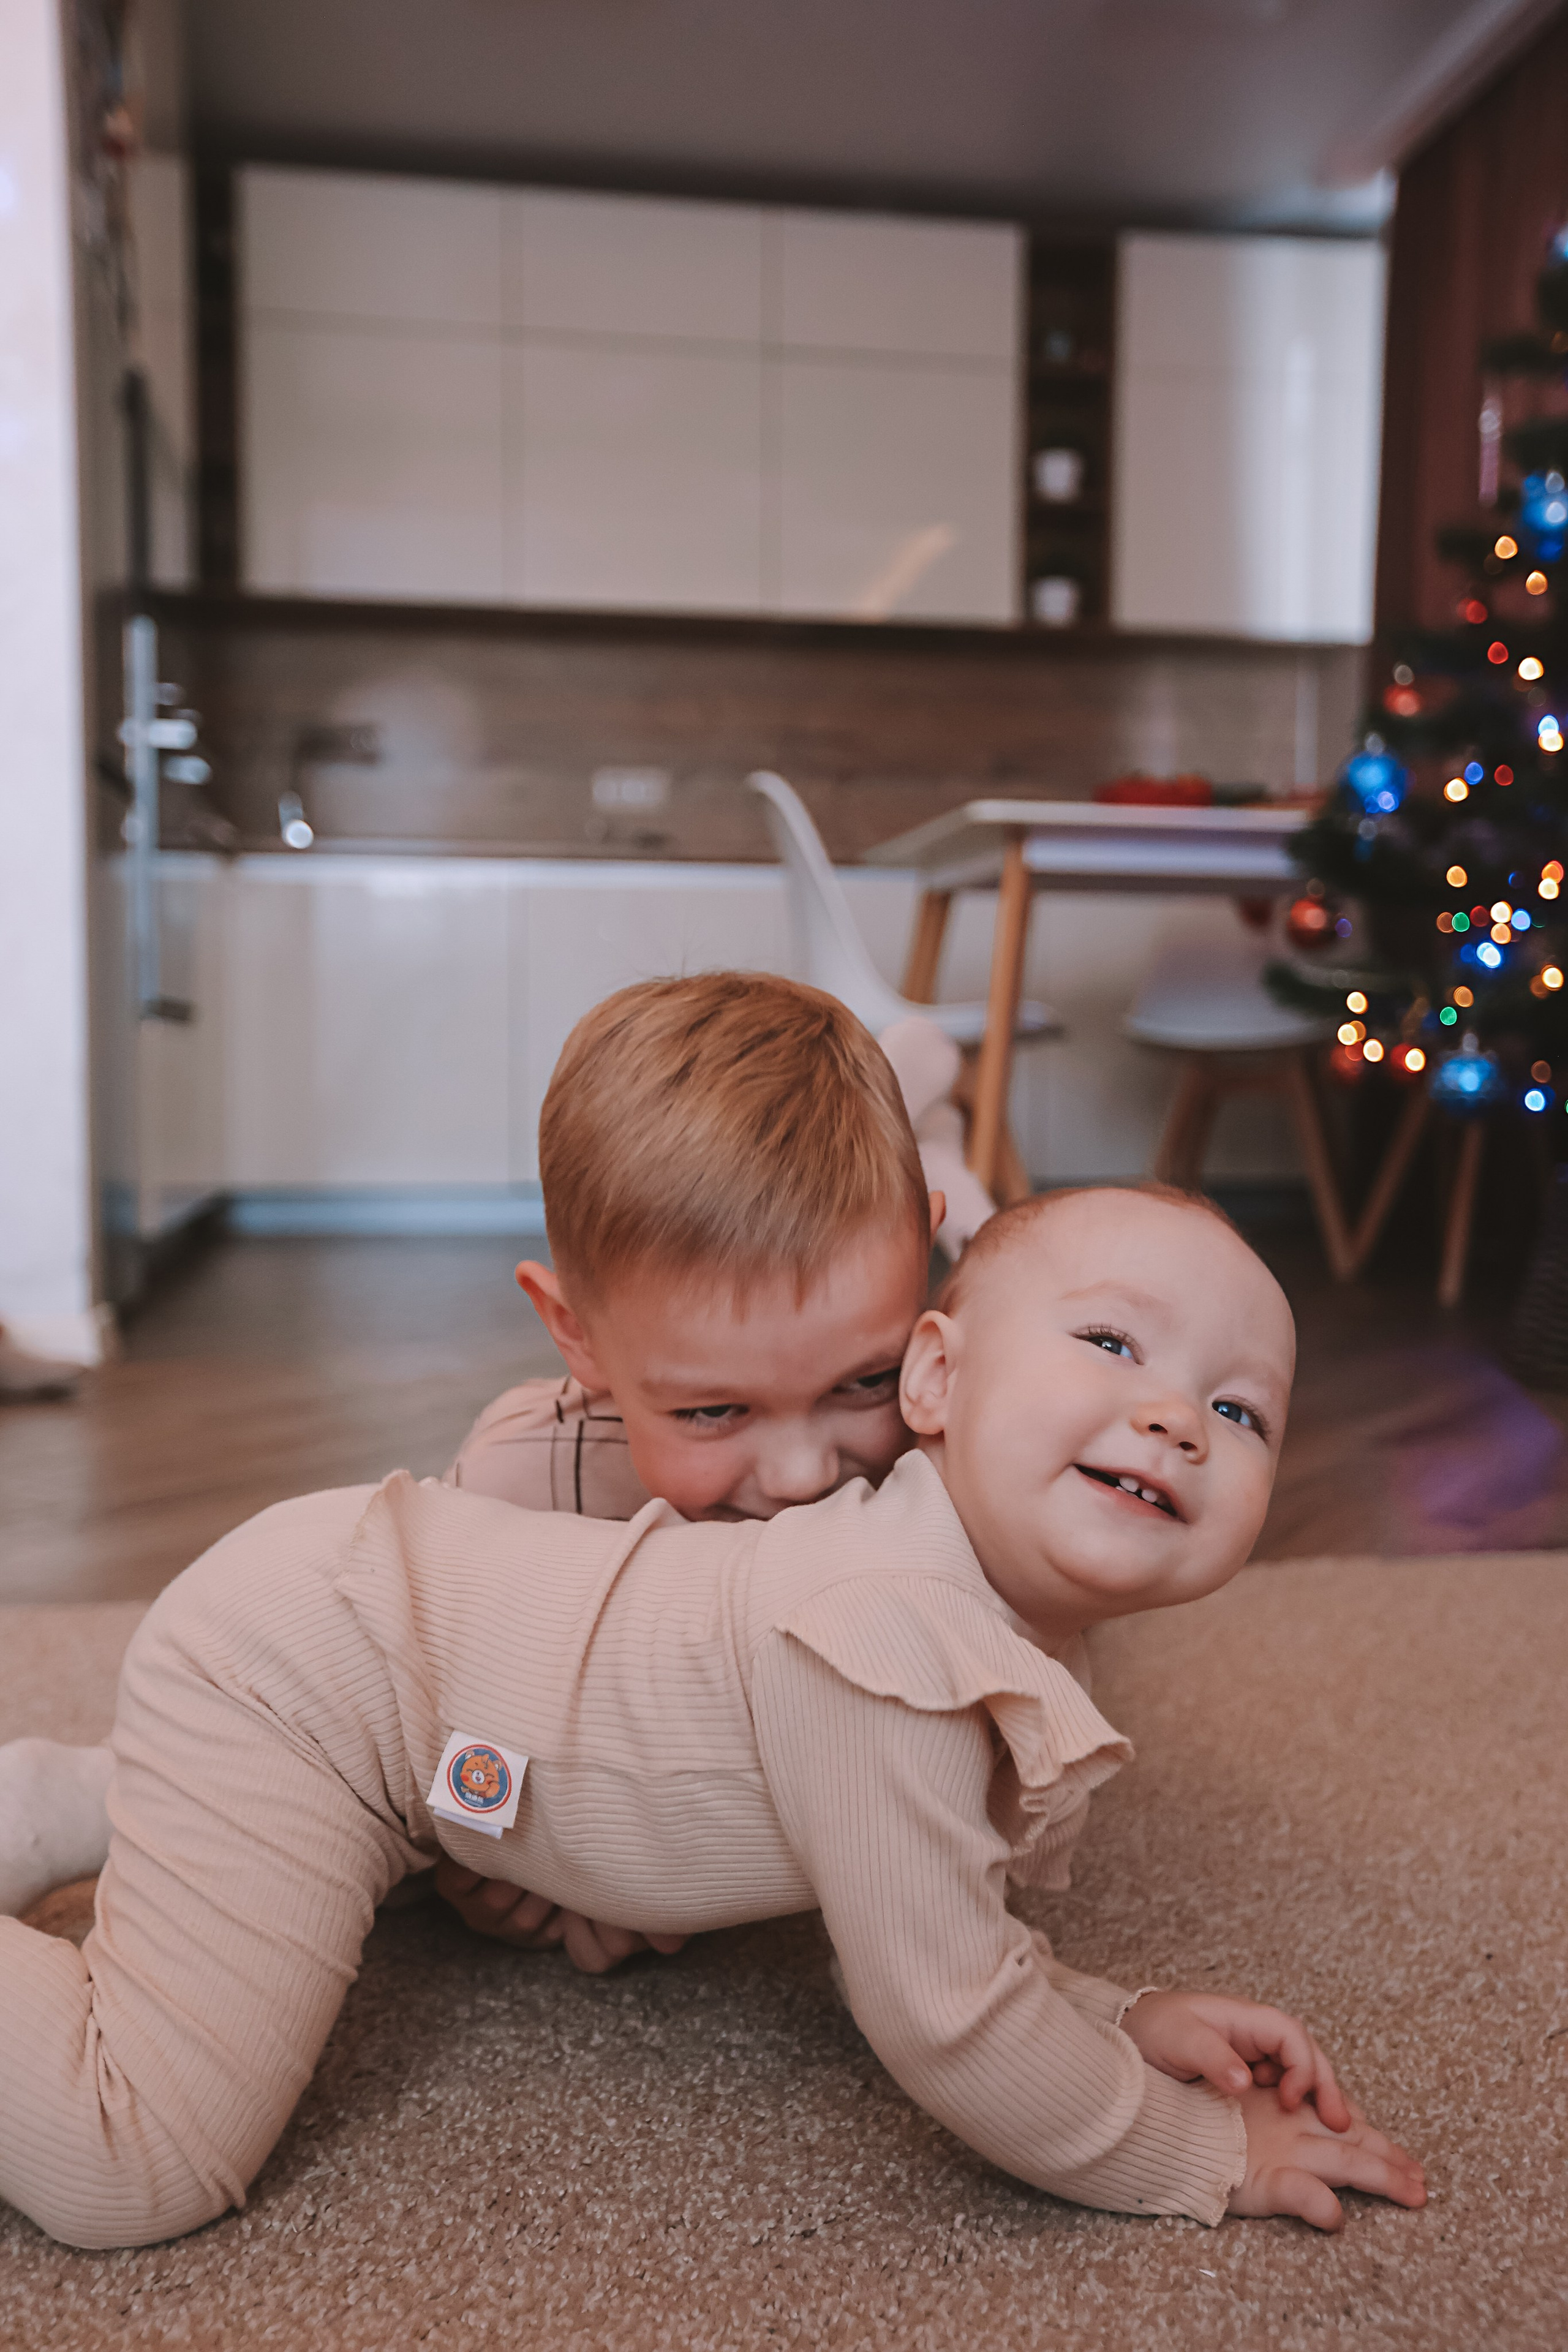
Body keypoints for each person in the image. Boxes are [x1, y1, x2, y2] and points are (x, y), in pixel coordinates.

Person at [0, 1182, 1425, 2248]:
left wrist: (1119, 2016)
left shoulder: (965, 1611)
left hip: (421, 1733)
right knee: (132, 2164)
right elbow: (949, 2022)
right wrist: (1192, 2151)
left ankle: (73, 1797)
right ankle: (136, 1793)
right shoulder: (882, 1640)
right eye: (1113, 1342)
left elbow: (940, 1917)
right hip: (312, 1686)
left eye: (1239, 1413)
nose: (1176, 1417)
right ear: (934, 1377)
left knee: (334, 1866)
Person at [0, 975, 948, 1952]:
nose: (801, 1472)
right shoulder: (524, 1485)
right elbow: (435, 1728)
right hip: (362, 1716)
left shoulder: (952, 1459)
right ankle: (79, 1799)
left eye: (866, 1381)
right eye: (713, 1410)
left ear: (925, 1262)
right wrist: (489, 1852)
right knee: (314, 1823)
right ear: (574, 1335)